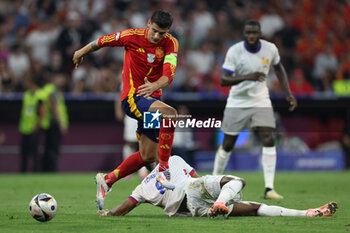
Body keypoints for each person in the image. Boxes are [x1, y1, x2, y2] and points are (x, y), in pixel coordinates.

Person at [72, 10, 179, 210]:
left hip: (152, 102)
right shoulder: (131, 36)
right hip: (132, 99)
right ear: (148, 23)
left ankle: (107, 180)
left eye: (161, 33)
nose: (157, 36)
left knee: (147, 156)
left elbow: (169, 75)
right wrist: (81, 52)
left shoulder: (171, 43)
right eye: (154, 31)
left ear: (168, 31)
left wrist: (155, 86)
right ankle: (164, 170)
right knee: (171, 114)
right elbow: (103, 41)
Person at [212, 20, 297, 200]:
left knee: (268, 137)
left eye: (254, 33)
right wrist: (247, 77)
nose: (251, 36)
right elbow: (223, 80)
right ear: (244, 34)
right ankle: (213, 181)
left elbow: (279, 68)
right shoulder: (235, 51)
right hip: (237, 101)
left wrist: (288, 93)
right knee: (228, 143)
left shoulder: (270, 49)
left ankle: (269, 188)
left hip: (260, 99)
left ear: (260, 34)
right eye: (248, 33)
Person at [97, 156, 337, 218]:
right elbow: (198, 178)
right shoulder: (173, 159)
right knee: (237, 182)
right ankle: (221, 202)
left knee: (254, 209)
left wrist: (107, 213)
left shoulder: (140, 188)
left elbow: (123, 209)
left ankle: (307, 213)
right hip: (195, 190)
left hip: (192, 211)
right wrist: (219, 196)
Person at [115, 96, 149, 179]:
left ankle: (144, 171)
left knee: (149, 142)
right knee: (131, 143)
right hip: (133, 111)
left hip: (149, 111)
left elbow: (158, 95)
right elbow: (120, 95)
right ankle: (127, 170)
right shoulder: (129, 82)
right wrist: (119, 110)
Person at [40, 74, 69, 172]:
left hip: (49, 123)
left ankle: (47, 169)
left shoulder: (50, 90)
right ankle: (51, 169)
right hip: (53, 123)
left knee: (49, 148)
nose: (62, 80)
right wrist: (60, 123)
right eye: (60, 78)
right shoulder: (51, 90)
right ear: (54, 79)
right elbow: (55, 107)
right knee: (53, 149)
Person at [18, 76, 45, 172]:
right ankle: (23, 171)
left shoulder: (39, 95)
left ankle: (36, 171)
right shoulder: (26, 94)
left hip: (33, 128)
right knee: (23, 152)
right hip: (25, 127)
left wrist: (37, 126)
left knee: (34, 153)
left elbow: (42, 112)